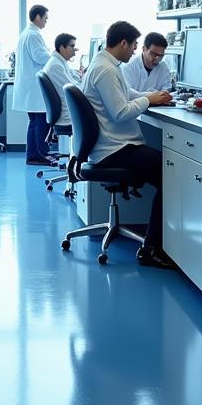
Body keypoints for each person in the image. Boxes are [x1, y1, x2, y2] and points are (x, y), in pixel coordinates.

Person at [81, 21, 174, 269]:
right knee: (173, 173)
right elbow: (121, 112)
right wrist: (148, 100)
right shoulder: (107, 70)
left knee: (166, 167)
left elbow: (126, 94)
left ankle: (157, 242)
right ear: (123, 43)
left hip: (112, 146)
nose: (134, 51)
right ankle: (152, 249)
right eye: (133, 46)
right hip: (114, 151)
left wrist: (150, 97)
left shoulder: (105, 65)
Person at [13, 4, 52, 165]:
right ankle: (40, 155)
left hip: (30, 87)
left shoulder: (27, 34)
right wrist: (55, 54)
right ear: (37, 17)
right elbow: (39, 57)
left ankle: (33, 155)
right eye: (45, 18)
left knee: (35, 122)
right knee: (40, 121)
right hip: (34, 88)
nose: (46, 22)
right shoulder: (33, 35)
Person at [42, 32, 82, 128]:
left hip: (67, 111)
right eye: (72, 46)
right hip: (66, 116)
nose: (75, 50)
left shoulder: (59, 61)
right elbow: (73, 91)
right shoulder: (56, 66)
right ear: (62, 47)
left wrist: (80, 76)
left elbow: (72, 78)